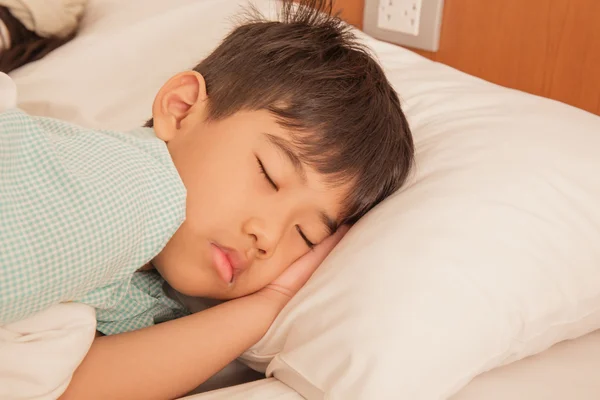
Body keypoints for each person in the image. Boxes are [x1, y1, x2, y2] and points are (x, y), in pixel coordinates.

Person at [0, 1, 414, 398]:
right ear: (180, 111)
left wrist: (271, 304)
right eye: (269, 175)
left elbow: (71, 388)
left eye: (305, 235)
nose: (267, 236)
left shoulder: (150, 287)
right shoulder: (136, 187)